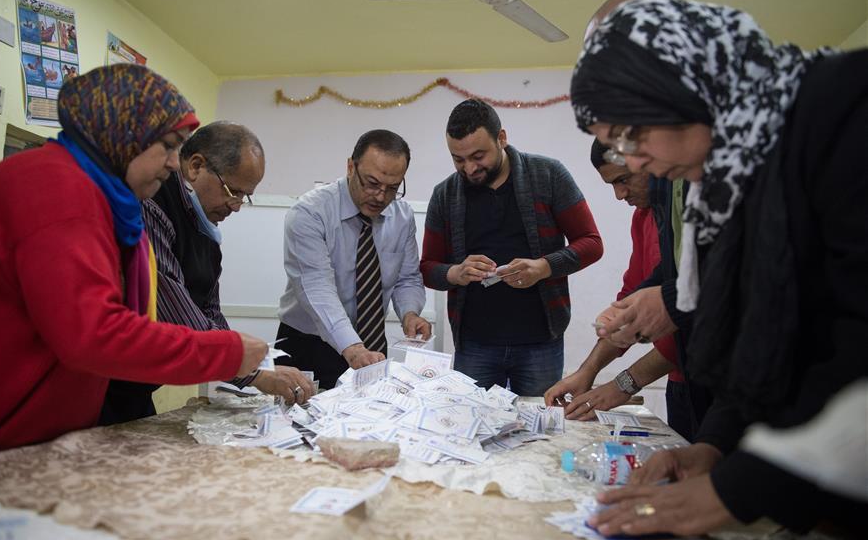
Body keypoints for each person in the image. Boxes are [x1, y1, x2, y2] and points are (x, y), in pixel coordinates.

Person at [570, 0, 868, 535]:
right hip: (802, 502)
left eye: (631, 135)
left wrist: (739, 487)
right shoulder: (719, 183)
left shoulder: (846, 110)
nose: (633, 161)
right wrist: (715, 446)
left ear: (687, 86)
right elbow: (761, 340)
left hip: (839, 491)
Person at [0, 64, 268, 451]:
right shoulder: (55, 187)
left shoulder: (108, 202)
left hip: (41, 427)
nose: (175, 163)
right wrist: (226, 353)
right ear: (125, 132)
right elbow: (93, 333)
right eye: (168, 145)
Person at [100, 122, 315, 425]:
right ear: (195, 166)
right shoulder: (153, 204)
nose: (237, 206)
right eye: (234, 191)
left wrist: (258, 362)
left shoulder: (206, 232)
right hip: (101, 387)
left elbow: (210, 314)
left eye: (245, 196)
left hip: (137, 387)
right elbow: (176, 310)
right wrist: (254, 372)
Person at [420, 99, 602, 396]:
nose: (469, 168)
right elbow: (428, 268)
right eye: (458, 159)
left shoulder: (549, 175)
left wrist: (544, 267)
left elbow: (592, 243)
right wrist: (456, 272)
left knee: (539, 433)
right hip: (474, 344)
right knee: (471, 432)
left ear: (501, 138)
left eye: (478, 156)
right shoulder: (444, 195)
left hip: (541, 341)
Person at [544, 139, 696, 438]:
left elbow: (688, 313)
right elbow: (631, 299)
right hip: (681, 380)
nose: (619, 195)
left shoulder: (694, 209)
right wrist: (588, 370)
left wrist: (624, 384)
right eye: (612, 184)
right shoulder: (645, 217)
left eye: (623, 180)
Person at [274, 129, 431, 390]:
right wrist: (353, 348)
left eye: (392, 188)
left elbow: (407, 278)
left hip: (370, 344)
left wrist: (410, 313)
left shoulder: (402, 217)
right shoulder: (310, 213)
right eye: (371, 183)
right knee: (302, 423)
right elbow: (317, 288)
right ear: (350, 167)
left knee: (372, 419)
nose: (381, 196)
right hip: (310, 342)